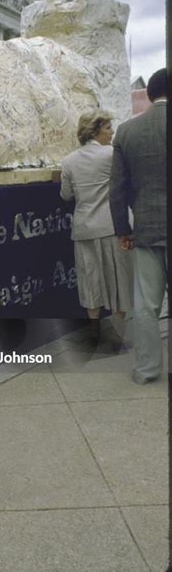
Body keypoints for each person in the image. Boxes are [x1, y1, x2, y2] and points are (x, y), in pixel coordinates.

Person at [109, 68, 167, 384]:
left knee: (145, 306)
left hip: (146, 230)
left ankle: (147, 370)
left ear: (148, 94)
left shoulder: (127, 131)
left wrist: (123, 230)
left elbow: (117, 189)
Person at [60, 110, 133, 344]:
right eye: (108, 127)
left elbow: (66, 195)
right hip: (112, 227)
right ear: (95, 130)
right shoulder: (112, 155)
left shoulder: (69, 161)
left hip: (84, 229)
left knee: (90, 280)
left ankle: (94, 330)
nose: (112, 132)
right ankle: (118, 334)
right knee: (118, 279)